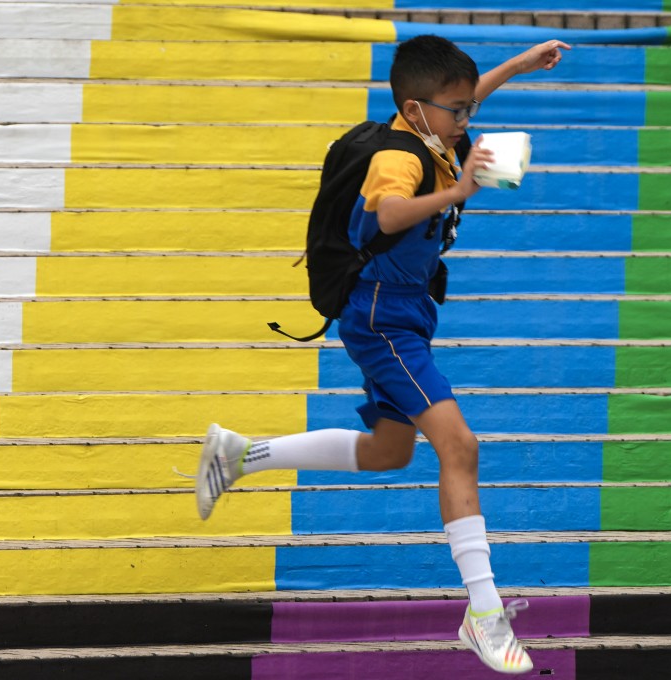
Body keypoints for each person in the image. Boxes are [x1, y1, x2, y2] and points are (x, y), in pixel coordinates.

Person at [196, 34, 569, 674]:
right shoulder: (397, 160)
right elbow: (392, 213)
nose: (467, 120)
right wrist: (456, 195)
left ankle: (238, 454)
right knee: (460, 447)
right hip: (381, 319)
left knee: (389, 452)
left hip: (406, 311)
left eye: (466, 109)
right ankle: (483, 614)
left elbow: (460, 99)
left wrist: (518, 64)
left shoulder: (428, 128)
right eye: (457, 111)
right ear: (418, 109)